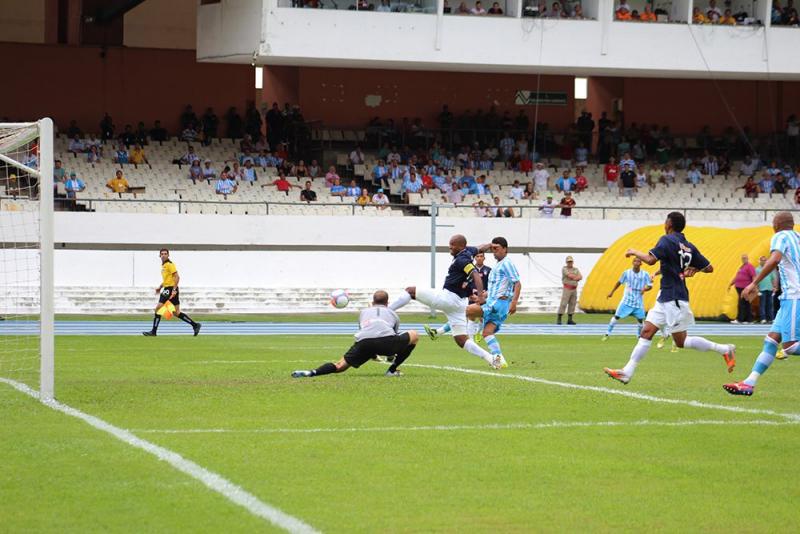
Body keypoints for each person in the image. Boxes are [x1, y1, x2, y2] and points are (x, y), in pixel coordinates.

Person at [604, 212, 736, 384]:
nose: (664, 224)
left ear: (669, 223)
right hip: (665, 295)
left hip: (674, 297)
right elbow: (709, 267)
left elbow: (651, 260)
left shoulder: (666, 240)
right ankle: (627, 372)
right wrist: (694, 269)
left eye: (665, 221)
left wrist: (634, 251)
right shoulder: (688, 246)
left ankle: (724, 349)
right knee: (647, 331)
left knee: (681, 341)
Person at [389, 235, 502, 369]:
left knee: (410, 291)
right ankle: (492, 359)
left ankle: (386, 311)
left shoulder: (462, 260)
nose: (450, 248)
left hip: (449, 298)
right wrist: (490, 245)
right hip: (460, 303)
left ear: (460, 246)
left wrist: (481, 297)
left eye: (452, 245)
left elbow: (475, 275)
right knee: (461, 340)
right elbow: (479, 248)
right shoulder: (468, 251)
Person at [724, 212, 800, 396]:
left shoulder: (780, 236)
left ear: (777, 223)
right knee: (771, 340)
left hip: (795, 295)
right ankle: (749, 383)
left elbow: (774, 259)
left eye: (773, 222)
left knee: (789, 346)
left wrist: (753, 283)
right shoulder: (797, 237)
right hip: (789, 296)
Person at [292, 291, 418, 378]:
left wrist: (372, 354)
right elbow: (392, 336)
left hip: (364, 343)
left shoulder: (363, 312)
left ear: (373, 301)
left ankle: (312, 372)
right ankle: (392, 370)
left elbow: (366, 332)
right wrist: (389, 355)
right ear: (387, 302)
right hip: (387, 343)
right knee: (414, 335)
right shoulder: (393, 313)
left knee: (340, 366)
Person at [461, 237, 520, 368]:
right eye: (492, 249)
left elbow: (517, 283)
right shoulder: (499, 265)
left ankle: (439, 332)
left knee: (467, 310)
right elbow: (497, 287)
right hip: (496, 302)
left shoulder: (507, 263)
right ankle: (500, 361)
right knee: (487, 333)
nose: (494, 252)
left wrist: (514, 302)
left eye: (497, 249)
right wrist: (483, 296)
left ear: (505, 249)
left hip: (498, 304)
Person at [142, 249, 201, 337]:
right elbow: (167, 280)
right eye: (162, 254)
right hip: (169, 288)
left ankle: (154, 332)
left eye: (165, 254)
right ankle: (195, 325)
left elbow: (177, 277)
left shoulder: (170, 265)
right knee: (176, 312)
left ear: (168, 255)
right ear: (159, 256)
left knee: (158, 309)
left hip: (170, 289)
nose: (163, 255)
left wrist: (173, 290)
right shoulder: (164, 266)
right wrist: (160, 287)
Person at [602, 257, 653, 340]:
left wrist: (644, 289)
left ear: (641, 264)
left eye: (638, 261)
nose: (636, 263)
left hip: (638, 301)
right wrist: (612, 292)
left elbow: (650, 286)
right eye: (635, 261)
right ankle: (607, 333)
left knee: (640, 319)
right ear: (632, 263)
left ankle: (638, 335)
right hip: (627, 300)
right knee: (617, 316)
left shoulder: (645, 274)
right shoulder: (626, 273)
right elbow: (619, 282)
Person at [728, 254, 756, 324]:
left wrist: (753, 286)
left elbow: (753, 276)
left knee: (742, 303)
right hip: (739, 287)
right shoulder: (742, 267)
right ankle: (748, 319)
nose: (744, 259)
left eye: (745, 258)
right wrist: (731, 283)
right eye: (743, 258)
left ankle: (741, 319)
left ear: (748, 259)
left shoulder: (750, 266)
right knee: (745, 303)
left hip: (745, 287)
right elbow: (737, 276)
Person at [557, 256, 582, 325]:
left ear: (572, 262)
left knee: (572, 304)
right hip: (567, 288)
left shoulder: (576, 269)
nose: (570, 263)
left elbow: (581, 276)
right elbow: (569, 276)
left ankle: (570, 319)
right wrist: (576, 277)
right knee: (563, 303)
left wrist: (576, 277)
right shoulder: (564, 268)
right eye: (568, 262)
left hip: (574, 288)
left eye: (571, 261)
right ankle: (559, 318)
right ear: (566, 262)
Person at [755, 255, 777, 323]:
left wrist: (774, 287)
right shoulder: (757, 269)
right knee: (762, 304)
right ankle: (763, 318)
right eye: (762, 260)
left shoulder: (770, 269)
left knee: (770, 305)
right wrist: (757, 289)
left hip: (769, 288)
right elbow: (755, 280)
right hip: (762, 289)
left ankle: (770, 318)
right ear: (759, 261)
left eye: (765, 260)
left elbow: (773, 278)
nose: (763, 261)